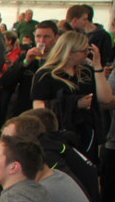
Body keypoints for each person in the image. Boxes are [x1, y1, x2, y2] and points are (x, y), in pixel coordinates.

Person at [31, 30, 111, 162]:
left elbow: (106, 98)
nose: (86, 54)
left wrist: (97, 67)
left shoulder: (86, 72)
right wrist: (74, 103)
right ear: (69, 52)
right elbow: (38, 107)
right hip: (59, 133)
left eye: (88, 50)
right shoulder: (45, 75)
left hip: (86, 134)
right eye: (83, 51)